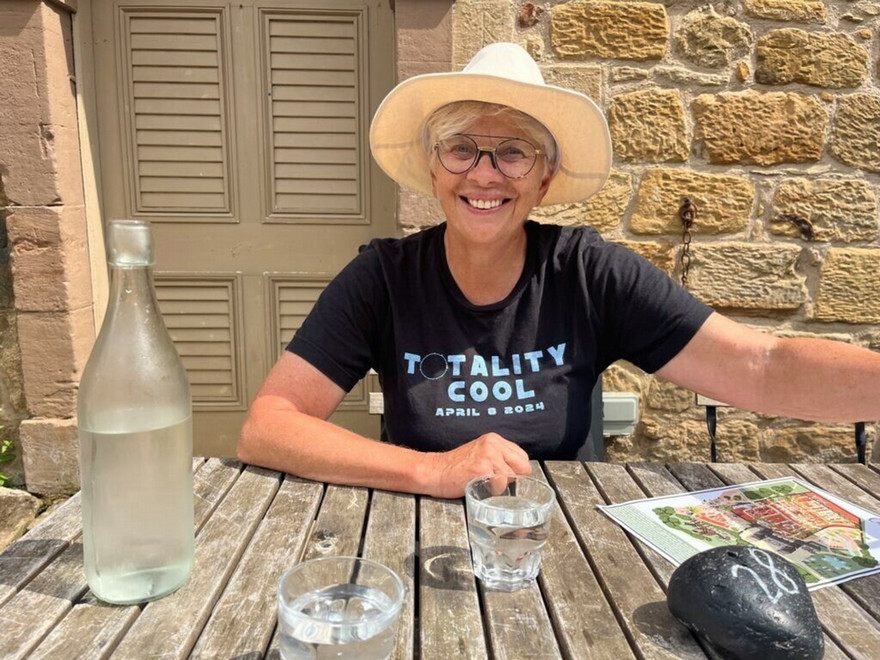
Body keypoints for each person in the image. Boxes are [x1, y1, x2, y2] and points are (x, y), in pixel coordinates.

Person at [237, 43, 879, 499]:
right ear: (433, 168)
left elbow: (762, 369)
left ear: (544, 180)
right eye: (461, 147)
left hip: (569, 542)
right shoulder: (383, 277)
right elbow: (269, 426)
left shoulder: (589, 273)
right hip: (416, 535)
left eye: (513, 152)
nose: (483, 173)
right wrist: (431, 472)